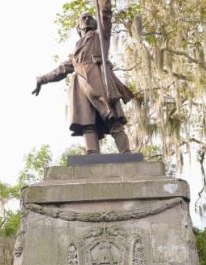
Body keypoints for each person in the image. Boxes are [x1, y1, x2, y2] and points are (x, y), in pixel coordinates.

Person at [32, 0, 134, 154]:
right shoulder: (76, 53)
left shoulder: (100, 36)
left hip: (98, 78)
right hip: (81, 84)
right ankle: (92, 154)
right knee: (87, 123)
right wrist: (42, 79)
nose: (86, 19)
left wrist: (103, 3)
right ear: (78, 27)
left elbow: (105, 14)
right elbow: (62, 69)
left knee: (112, 118)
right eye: (83, 18)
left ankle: (126, 153)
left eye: (89, 17)